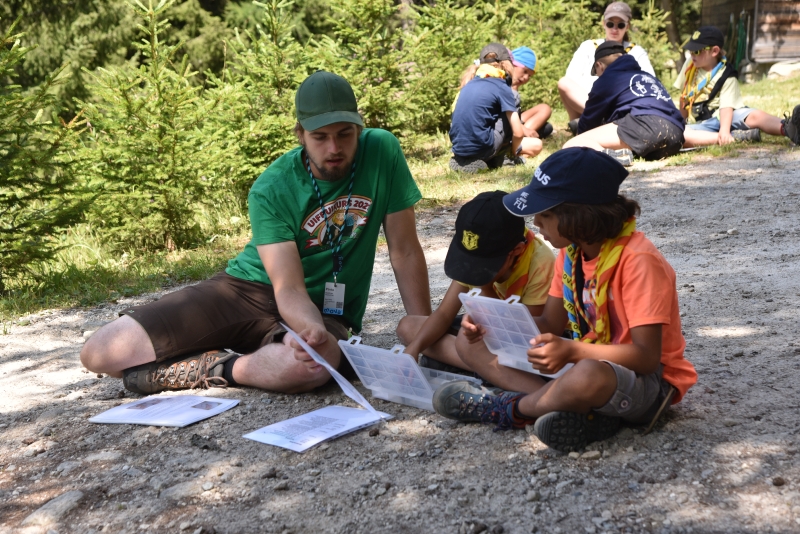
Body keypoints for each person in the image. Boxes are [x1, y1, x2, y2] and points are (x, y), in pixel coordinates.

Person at [80, 71, 432, 395]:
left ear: (359, 127)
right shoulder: (272, 187)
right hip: (246, 289)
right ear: (300, 134)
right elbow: (288, 287)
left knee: (311, 366)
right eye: (320, 137)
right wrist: (308, 328)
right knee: (101, 353)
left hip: (325, 307)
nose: (334, 148)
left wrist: (424, 332)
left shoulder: (382, 151)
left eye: (344, 134)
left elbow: (404, 251)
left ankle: (226, 367)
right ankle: (215, 364)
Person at [431, 148, 698, 452]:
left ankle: (510, 408)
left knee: (587, 374)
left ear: (578, 216)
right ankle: (573, 408)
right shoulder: (570, 256)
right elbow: (550, 323)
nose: (535, 223)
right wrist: (490, 322)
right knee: (470, 344)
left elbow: (647, 358)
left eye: (545, 215)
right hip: (586, 357)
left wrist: (572, 351)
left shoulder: (639, 261)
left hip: (646, 382)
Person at [396, 191, 555, 373]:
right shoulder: (478, 253)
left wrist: (484, 287)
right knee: (408, 327)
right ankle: (486, 368)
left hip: (520, 339)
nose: (474, 270)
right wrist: (414, 349)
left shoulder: (540, 263)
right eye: (471, 262)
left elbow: (526, 335)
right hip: (487, 336)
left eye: (483, 266)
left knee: (466, 344)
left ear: (517, 250)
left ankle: (487, 369)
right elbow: (444, 313)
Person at [563, 41, 685, 166]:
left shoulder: (606, 79)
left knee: (573, 144)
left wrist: (580, 133)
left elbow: (586, 126)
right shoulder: (648, 77)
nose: (598, 76)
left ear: (599, 65)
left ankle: (609, 157)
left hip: (644, 127)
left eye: (596, 72)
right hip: (677, 135)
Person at [676, 26, 800, 147]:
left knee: (756, 116)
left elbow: (726, 107)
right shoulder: (690, 66)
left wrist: (724, 131)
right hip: (702, 123)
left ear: (714, 51)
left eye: (697, 51)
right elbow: (684, 96)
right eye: (690, 50)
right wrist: (680, 122)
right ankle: (736, 136)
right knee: (680, 134)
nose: (692, 54)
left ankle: (789, 128)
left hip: (726, 116)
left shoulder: (727, 74)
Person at [558, 2, 655, 133]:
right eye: (610, 24)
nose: (615, 29)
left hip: (619, 104)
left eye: (620, 25)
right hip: (587, 101)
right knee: (564, 83)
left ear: (627, 26)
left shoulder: (636, 51)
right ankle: (592, 121)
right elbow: (571, 78)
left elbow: (649, 82)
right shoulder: (588, 46)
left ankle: (600, 121)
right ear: (603, 23)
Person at [449, 43, 543, 173]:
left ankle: (464, 160)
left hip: (458, 149)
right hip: (484, 149)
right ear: (507, 65)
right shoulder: (502, 86)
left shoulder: (468, 85)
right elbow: (518, 132)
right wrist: (514, 152)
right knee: (512, 102)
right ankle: (506, 157)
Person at [509, 47, 553, 141]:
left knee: (545, 109)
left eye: (529, 75)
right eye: (525, 71)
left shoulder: (514, 87)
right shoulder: (498, 82)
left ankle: (522, 134)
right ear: (513, 64)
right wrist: (523, 129)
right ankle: (521, 135)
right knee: (546, 128)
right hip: (502, 121)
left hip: (513, 119)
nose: (526, 77)